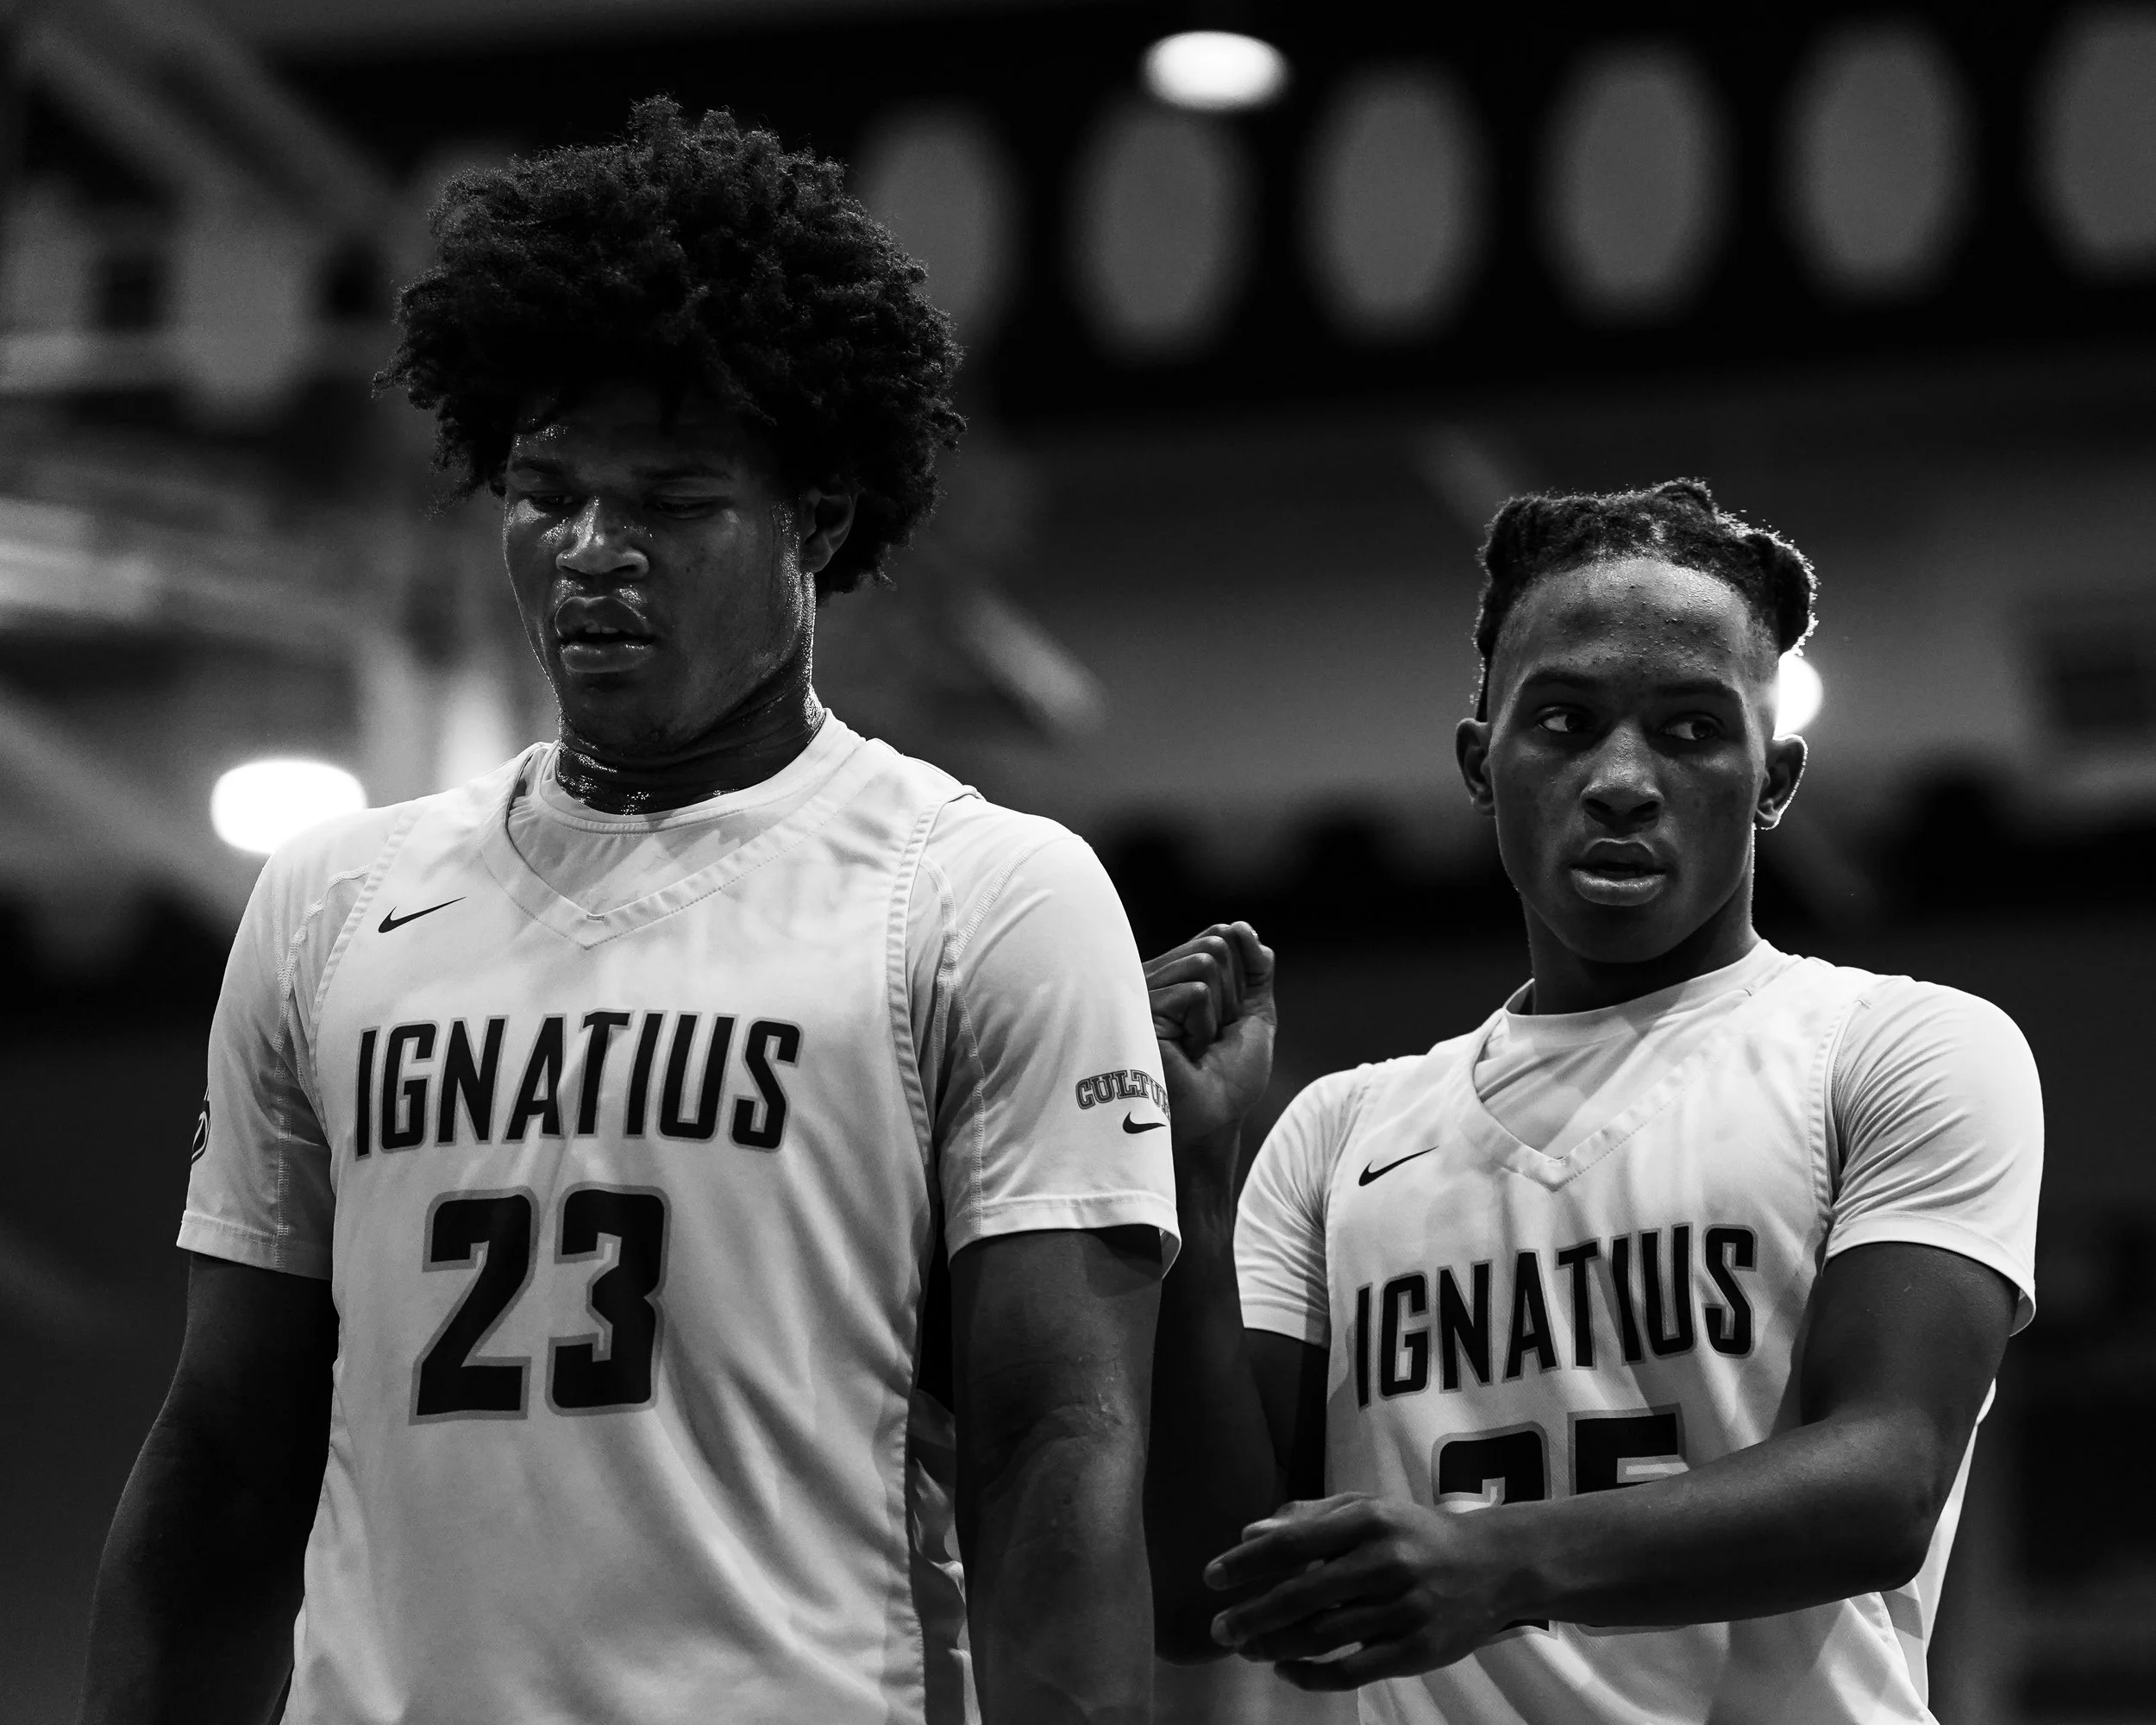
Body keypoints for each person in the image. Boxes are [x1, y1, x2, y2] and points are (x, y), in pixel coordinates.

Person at [81, 101, 1174, 1725]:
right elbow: (227, 1451)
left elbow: (1053, 1451)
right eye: (546, 491)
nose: (593, 551)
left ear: (816, 516)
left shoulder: (981, 893)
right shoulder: (332, 902)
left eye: (669, 501)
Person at [1144, 479, 2041, 1723]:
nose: (1623, 778)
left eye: (1690, 729)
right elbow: (1207, 1593)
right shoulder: (1338, 1133)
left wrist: (1501, 1563)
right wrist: (1188, 1177)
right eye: (1565, 721)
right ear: (1481, 761)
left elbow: (1884, 1485)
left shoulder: (1900, 1049)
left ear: (1773, 778)